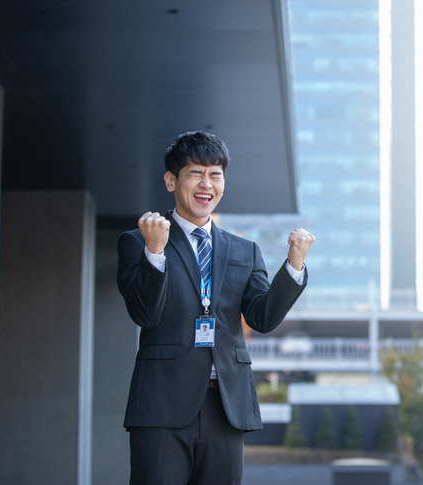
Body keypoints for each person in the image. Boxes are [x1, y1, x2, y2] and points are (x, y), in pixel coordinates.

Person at [116, 131, 315, 485]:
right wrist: (155, 252)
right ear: (170, 180)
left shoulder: (245, 251)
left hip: (226, 405)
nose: (206, 183)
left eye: (215, 174)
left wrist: (294, 267)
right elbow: (144, 313)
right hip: (162, 404)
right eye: (196, 172)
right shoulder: (138, 243)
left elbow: (262, 318)